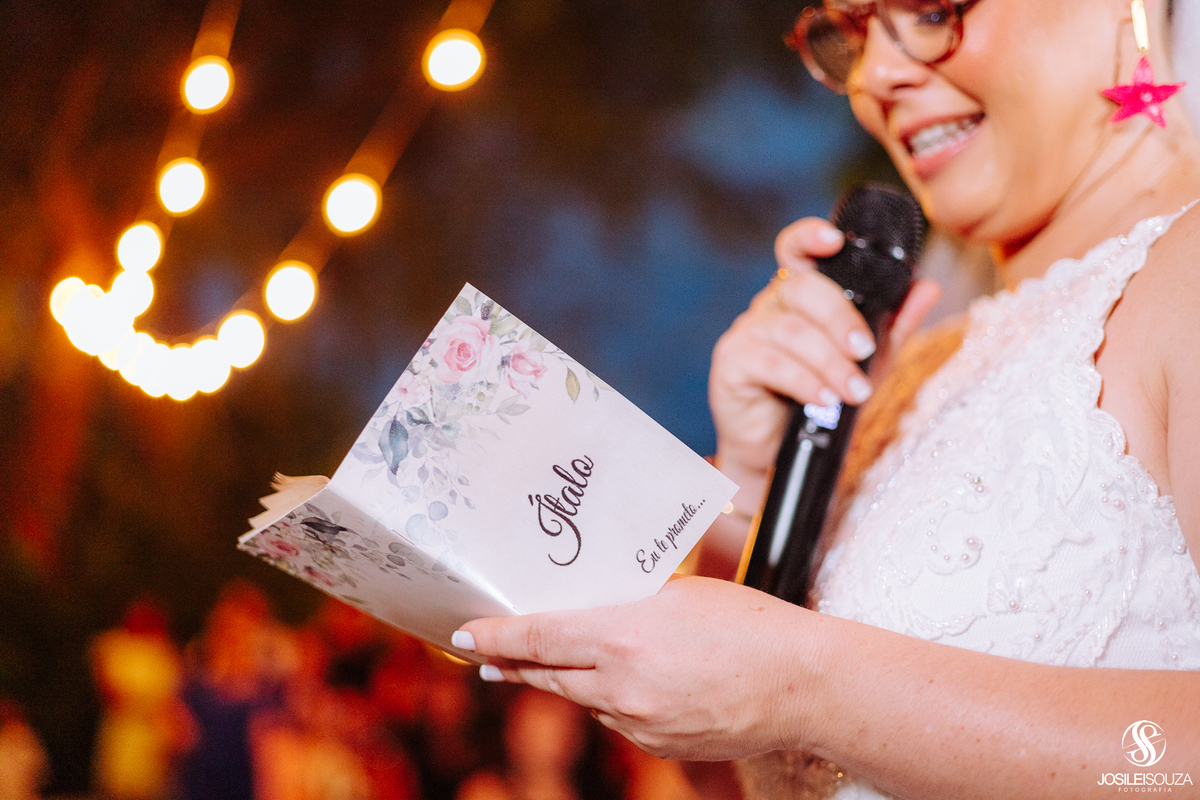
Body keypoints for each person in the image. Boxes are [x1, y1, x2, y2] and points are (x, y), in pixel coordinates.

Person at [454, 0, 1200, 796]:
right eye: (852, 33)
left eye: (929, 10)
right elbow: (760, 779)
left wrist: (807, 687)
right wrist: (753, 480)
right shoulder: (919, 368)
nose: (875, 76)